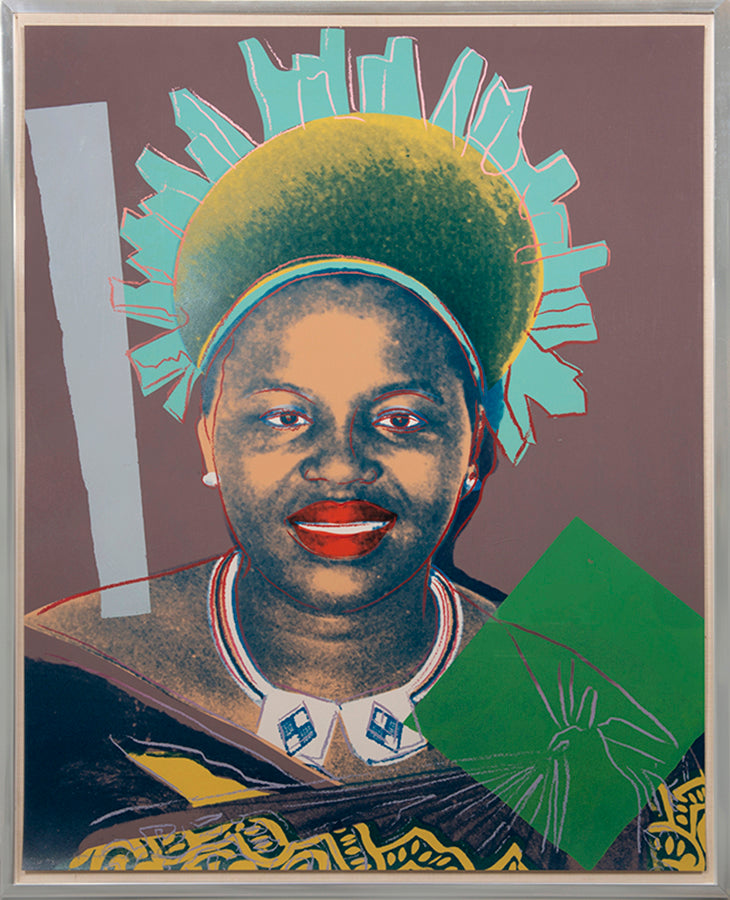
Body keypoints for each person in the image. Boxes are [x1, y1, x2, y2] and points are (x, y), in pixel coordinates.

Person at [24, 46, 703, 874]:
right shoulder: (52, 677)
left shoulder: (609, 695)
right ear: (210, 439)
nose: (341, 465)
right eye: (284, 416)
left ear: (474, 447)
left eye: (400, 419)